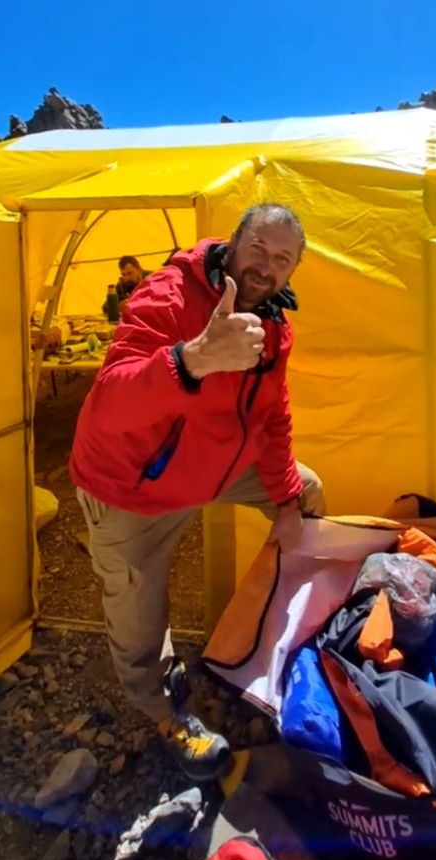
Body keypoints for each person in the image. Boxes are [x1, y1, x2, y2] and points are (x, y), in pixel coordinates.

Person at [70, 203, 325, 782]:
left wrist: (286, 502)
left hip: (211, 467)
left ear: (292, 271)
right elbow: (108, 403)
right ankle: (166, 715)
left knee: (308, 492)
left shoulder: (274, 324)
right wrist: (192, 361)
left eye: (282, 259)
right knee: (138, 614)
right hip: (133, 484)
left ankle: (283, 632)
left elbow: (273, 415)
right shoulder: (169, 295)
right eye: (258, 247)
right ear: (232, 242)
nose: (266, 266)